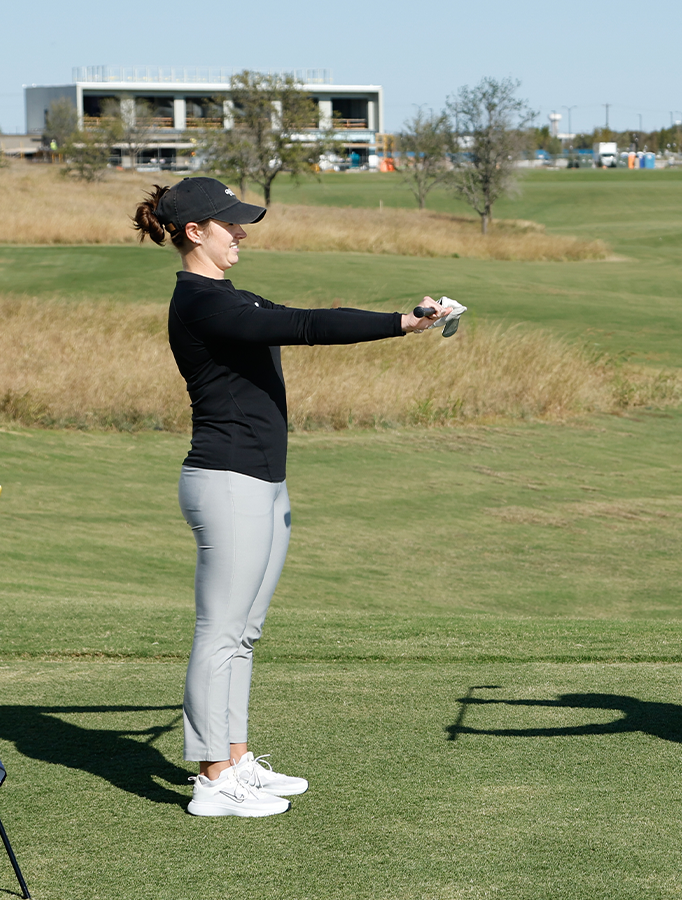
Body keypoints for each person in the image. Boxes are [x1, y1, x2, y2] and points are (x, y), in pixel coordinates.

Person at [131, 177, 446, 816]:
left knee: (244, 633)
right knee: (220, 632)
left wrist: (397, 322)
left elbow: (300, 315)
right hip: (228, 483)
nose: (242, 231)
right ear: (195, 233)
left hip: (263, 484)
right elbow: (303, 325)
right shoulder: (198, 302)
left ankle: (237, 759)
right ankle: (213, 779)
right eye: (230, 224)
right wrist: (401, 322)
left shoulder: (227, 295)